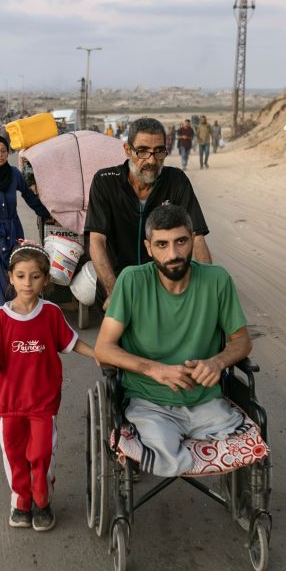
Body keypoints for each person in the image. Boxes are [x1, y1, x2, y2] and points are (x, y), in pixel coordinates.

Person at [94, 204, 256, 476]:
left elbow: (242, 341)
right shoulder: (132, 281)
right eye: (161, 244)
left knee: (249, 448)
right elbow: (103, 348)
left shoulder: (217, 280)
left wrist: (217, 362)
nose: (173, 254)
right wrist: (155, 369)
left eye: (181, 242)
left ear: (192, 239)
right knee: (163, 454)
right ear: (148, 247)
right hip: (150, 403)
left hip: (207, 403)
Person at [0, 245, 95, 530]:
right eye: (21, 276)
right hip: (11, 405)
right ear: (11, 278)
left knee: (41, 454)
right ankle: (21, 502)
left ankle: (42, 500)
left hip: (43, 404)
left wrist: (97, 354)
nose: (27, 283)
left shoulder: (51, 314)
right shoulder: (1, 318)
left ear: (45, 280)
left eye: (35, 276)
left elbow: (70, 342)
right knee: (15, 456)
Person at [85, 117, 212, 308]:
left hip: (165, 288)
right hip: (119, 285)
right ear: (128, 150)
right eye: (142, 151)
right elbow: (96, 241)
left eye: (159, 151)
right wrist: (113, 292)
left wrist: (209, 289)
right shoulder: (105, 182)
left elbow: (197, 236)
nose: (151, 160)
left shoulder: (176, 181)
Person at [0, 136, 55, 320]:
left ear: (8, 152)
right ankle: (5, 315)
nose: (0, 155)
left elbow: (29, 196)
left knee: (18, 270)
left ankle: (18, 312)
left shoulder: (14, 174)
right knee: (1, 277)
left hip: (14, 230)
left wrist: (47, 214)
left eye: (3, 151)